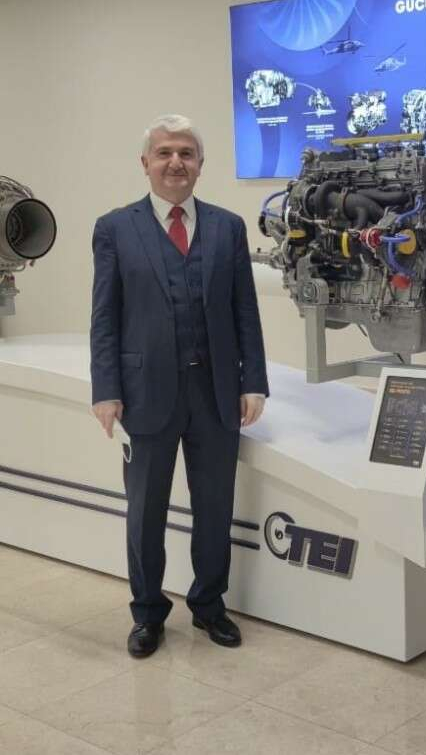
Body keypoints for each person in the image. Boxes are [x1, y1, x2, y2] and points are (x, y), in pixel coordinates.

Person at [90, 114, 268, 658]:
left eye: (186, 153)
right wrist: (105, 389)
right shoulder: (115, 228)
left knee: (214, 506)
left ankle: (209, 605)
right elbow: (105, 317)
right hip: (144, 395)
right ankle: (147, 613)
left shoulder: (228, 227)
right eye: (165, 153)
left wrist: (254, 382)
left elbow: (244, 310)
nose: (176, 162)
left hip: (216, 393)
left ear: (200, 164)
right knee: (145, 511)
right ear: (145, 163)